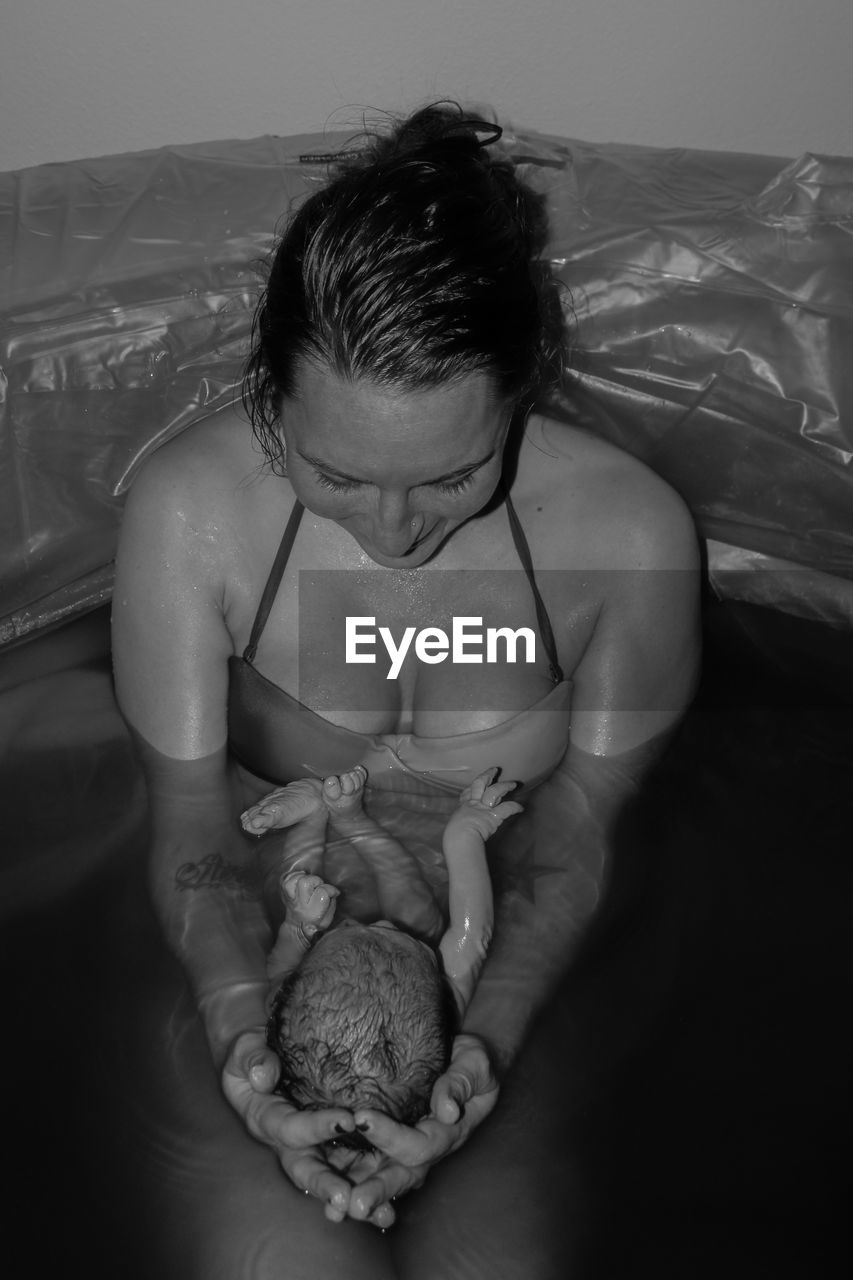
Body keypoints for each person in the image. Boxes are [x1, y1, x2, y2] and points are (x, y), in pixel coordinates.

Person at [112, 101, 700, 1273]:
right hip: (250, 949)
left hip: (505, 978)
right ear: (270, 396)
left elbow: (579, 830)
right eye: (336, 473)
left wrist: (480, 1040)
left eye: (452, 474)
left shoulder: (627, 536)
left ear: (525, 380)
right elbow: (188, 815)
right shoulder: (195, 515)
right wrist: (246, 1037)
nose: (394, 532)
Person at [246, 764, 522, 1128]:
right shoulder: (444, 1008)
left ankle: (313, 815)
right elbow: (474, 933)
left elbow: (281, 965)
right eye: (401, 939)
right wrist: (465, 834)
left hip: (317, 941)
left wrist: (299, 926)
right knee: (416, 915)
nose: (382, 924)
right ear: (438, 990)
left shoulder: (283, 1004)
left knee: (301, 891)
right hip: (387, 954)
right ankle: (354, 821)